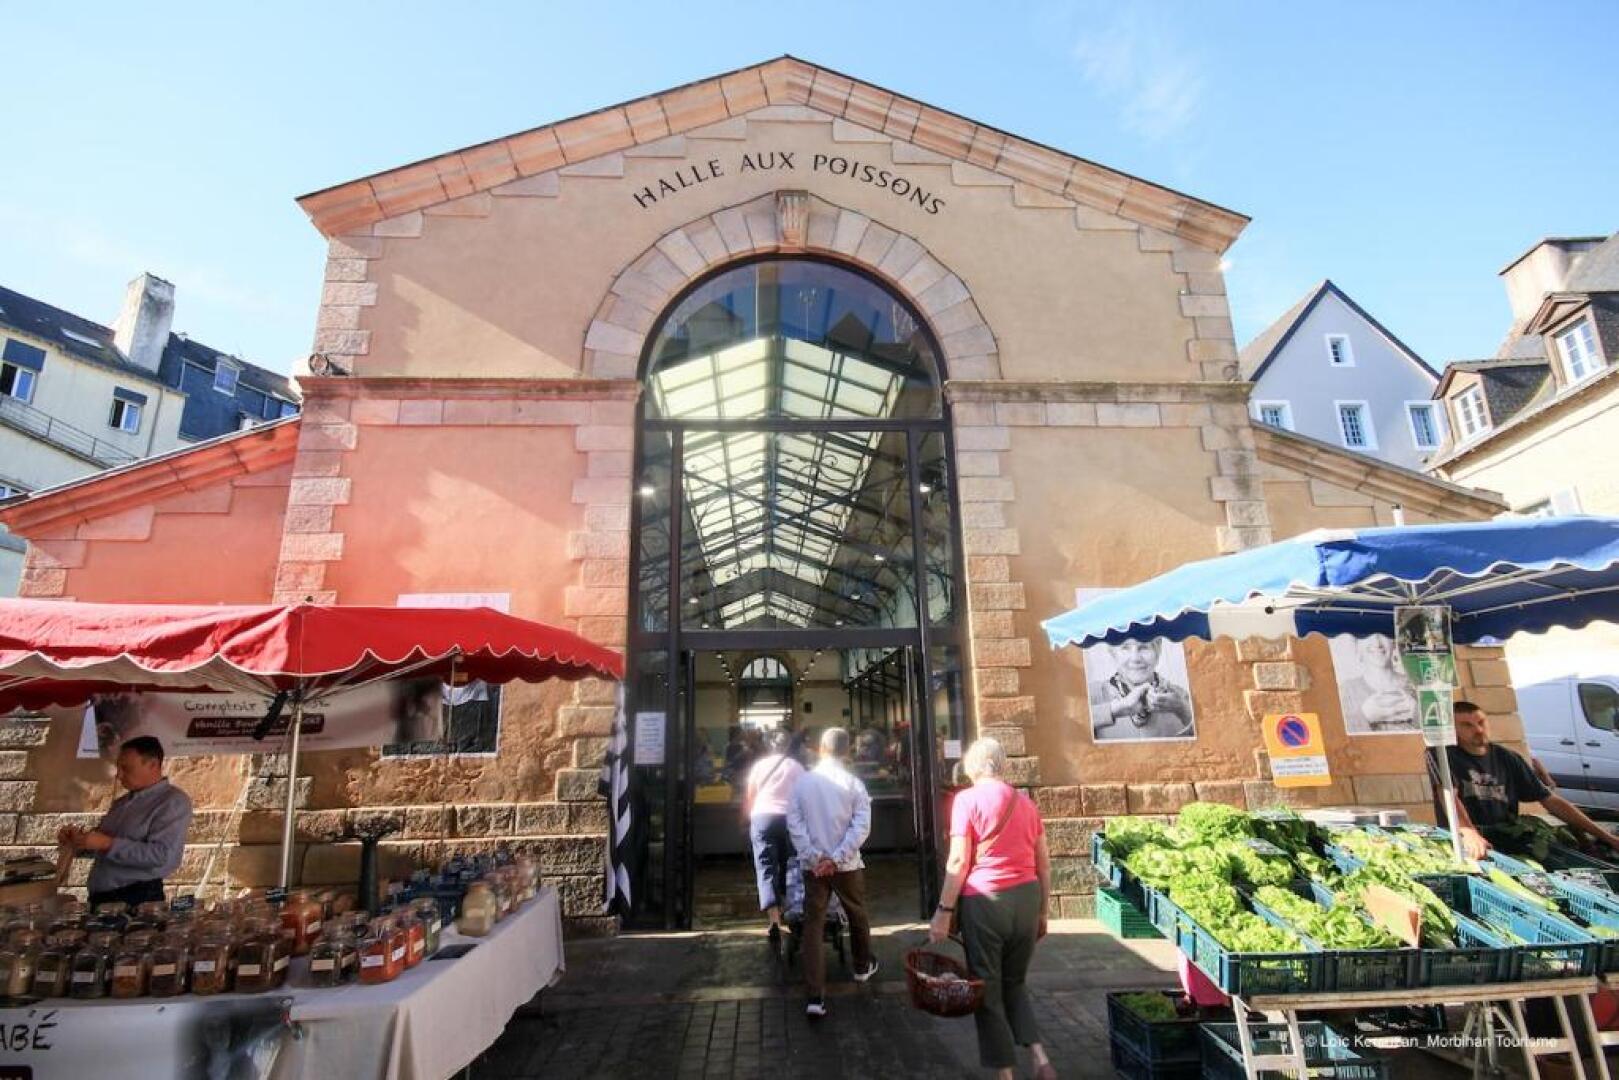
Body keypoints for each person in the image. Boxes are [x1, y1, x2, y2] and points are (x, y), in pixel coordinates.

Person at [929, 738, 1057, 1080]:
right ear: (1001, 765)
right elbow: (1043, 863)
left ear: (971, 766)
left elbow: (958, 860)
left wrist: (943, 911)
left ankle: (1005, 1075)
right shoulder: (1026, 803)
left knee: (986, 988)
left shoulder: (965, 800)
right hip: (1027, 899)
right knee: (1015, 982)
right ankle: (1040, 1058)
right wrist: (1043, 912)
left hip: (987, 902)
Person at [1428, 700, 1619, 861]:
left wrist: (1607, 838)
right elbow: (1447, 795)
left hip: (1507, 839)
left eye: (1481, 722)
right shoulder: (1443, 756)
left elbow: (1550, 800)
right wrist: (1467, 831)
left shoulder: (1508, 758)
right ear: (1453, 730)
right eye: (1467, 725)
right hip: (1464, 844)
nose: (1478, 730)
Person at [786, 726, 877, 1018]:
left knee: (813, 925)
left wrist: (815, 857)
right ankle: (862, 967)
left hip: (815, 867)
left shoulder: (802, 784)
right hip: (847, 865)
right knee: (857, 913)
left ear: (821, 749)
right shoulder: (854, 784)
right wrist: (837, 858)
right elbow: (861, 827)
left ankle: (815, 996)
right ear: (847, 750)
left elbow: (794, 823)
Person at [59, 736, 194, 907]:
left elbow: (161, 855)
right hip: (102, 897)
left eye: (126, 768)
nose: (119, 775)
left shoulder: (172, 802)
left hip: (136, 897)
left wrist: (107, 843)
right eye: (118, 767)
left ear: (153, 765)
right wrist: (80, 842)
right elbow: (103, 847)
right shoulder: (122, 803)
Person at [744, 729, 805, 947]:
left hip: (763, 818)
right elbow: (803, 797)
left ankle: (774, 921)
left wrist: (751, 817)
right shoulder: (796, 767)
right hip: (789, 819)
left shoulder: (759, 767)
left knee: (766, 866)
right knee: (790, 865)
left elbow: (751, 796)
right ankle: (792, 912)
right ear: (788, 745)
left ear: (771, 745)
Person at [1089, 639, 1195, 741]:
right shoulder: (1091, 695)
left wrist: (1183, 711)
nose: (1135, 658)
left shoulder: (1181, 697)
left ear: (1157, 652)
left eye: (1144, 646)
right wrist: (1114, 710)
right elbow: (1075, 728)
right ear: (1113, 654)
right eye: (1125, 648)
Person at [1337, 636, 1419, 732]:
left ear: (1394, 641)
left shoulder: (1418, 685)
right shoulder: (1346, 691)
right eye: (1367, 634)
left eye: (1383, 633)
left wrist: (1417, 714)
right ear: (1357, 646)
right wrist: (1364, 717)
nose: (1377, 643)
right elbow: (1335, 739)